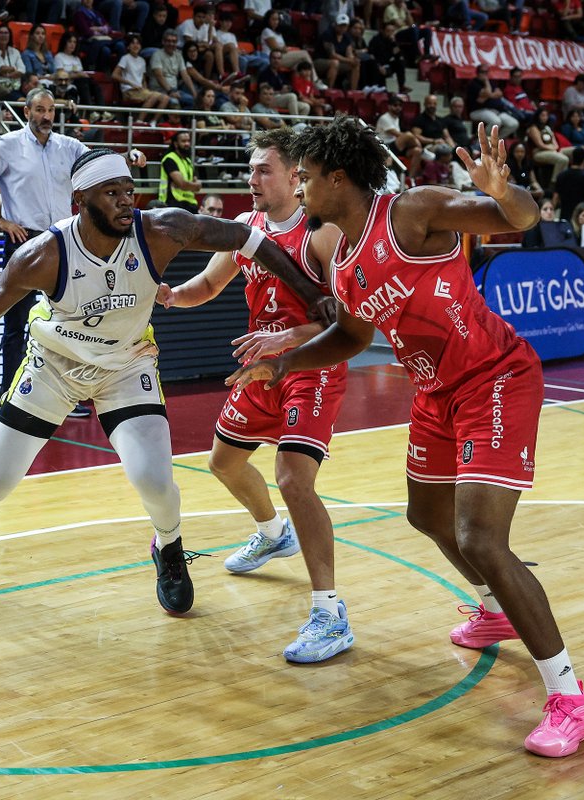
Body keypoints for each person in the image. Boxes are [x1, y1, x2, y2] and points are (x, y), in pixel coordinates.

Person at [228, 117, 584, 757]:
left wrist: (501, 189)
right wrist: (284, 361)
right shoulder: (340, 259)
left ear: (335, 177)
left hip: (494, 378)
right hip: (436, 394)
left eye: (308, 176)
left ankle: (570, 697)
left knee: (480, 536)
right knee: (426, 515)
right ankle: (494, 609)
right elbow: (350, 337)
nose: (300, 184)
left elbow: (519, 218)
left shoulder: (413, 211)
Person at [0, 148, 335, 617]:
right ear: (79, 202)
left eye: (129, 190)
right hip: (54, 366)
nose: (127, 201)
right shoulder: (42, 254)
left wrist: (315, 296)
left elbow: (250, 240)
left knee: (156, 481)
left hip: (126, 366)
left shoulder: (162, 229)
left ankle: (168, 550)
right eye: (112, 193)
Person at [157, 127, 353, 662]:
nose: (252, 179)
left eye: (263, 170)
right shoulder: (245, 228)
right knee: (222, 462)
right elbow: (207, 285)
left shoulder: (322, 233)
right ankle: (272, 533)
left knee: (293, 477)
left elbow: (351, 322)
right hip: (261, 370)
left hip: (311, 367)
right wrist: (168, 296)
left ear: (295, 176)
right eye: (250, 170)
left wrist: (287, 337)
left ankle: (330, 613)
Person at [0, 87, 148, 410]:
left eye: (50, 110)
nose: (46, 116)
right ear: (26, 110)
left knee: (71, 322)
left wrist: (129, 157)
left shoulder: (69, 146)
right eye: (39, 110)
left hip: (64, 242)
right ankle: (11, 395)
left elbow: (99, 162)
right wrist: (0, 220)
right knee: (15, 322)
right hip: (23, 241)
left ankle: (71, 396)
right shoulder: (9, 145)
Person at [159, 130, 201, 213]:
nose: (187, 144)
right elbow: (182, 184)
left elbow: (198, 186)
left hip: (190, 203)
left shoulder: (188, 161)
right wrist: (192, 185)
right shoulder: (169, 159)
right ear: (176, 144)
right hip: (174, 203)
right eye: (183, 141)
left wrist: (190, 185)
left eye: (188, 141)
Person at [552, 147, 584, 219]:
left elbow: (555, 197)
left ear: (572, 158)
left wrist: (552, 210)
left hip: (565, 215)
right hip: (580, 217)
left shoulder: (561, 175)